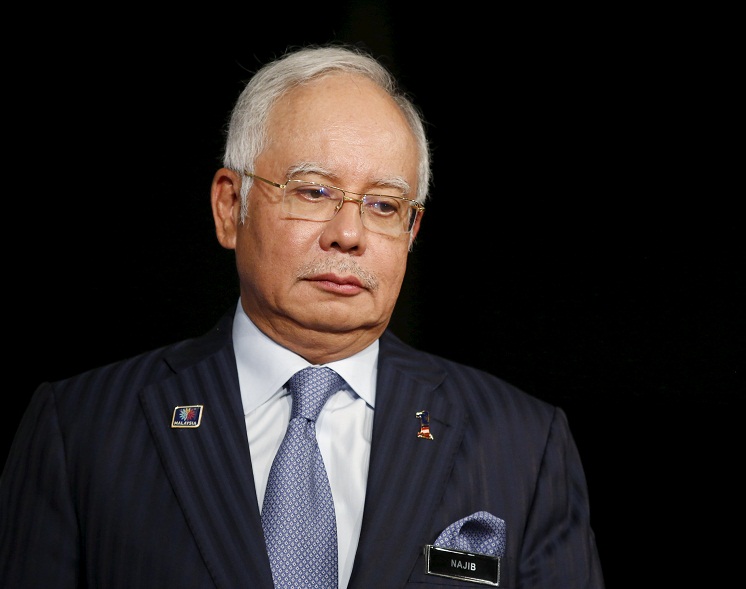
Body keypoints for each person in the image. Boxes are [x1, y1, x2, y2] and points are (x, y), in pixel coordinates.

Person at [0, 43, 604, 588]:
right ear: (229, 206)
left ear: (412, 229)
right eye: (313, 192)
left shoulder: (524, 445)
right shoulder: (81, 430)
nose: (348, 234)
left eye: (384, 205)